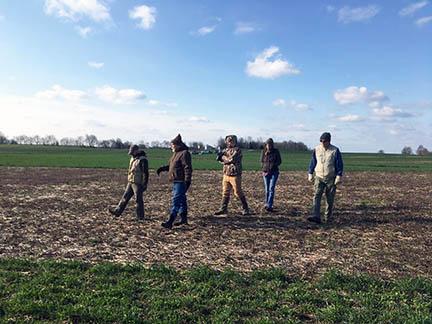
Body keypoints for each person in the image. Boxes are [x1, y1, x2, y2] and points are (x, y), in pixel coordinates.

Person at [157, 134, 192, 229]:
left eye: (172, 145)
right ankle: (183, 219)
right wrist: (163, 168)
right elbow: (172, 166)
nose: (171, 146)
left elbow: (187, 168)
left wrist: (187, 180)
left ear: (177, 145)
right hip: (176, 181)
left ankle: (170, 221)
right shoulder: (175, 154)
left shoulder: (184, 153)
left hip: (181, 181)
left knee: (176, 201)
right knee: (182, 200)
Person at [307, 132, 343, 224]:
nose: (322, 143)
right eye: (321, 141)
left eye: (324, 141)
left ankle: (328, 217)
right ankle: (316, 216)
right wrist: (310, 173)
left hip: (331, 177)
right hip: (319, 176)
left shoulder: (335, 150)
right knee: (316, 196)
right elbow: (313, 161)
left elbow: (339, 164)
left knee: (329, 198)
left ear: (329, 141)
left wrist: (339, 175)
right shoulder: (317, 149)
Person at [108, 144, 148, 220]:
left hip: (138, 183)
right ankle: (117, 211)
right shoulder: (133, 158)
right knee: (125, 197)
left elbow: (145, 173)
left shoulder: (143, 160)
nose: (131, 154)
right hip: (131, 181)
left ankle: (140, 217)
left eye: (132, 152)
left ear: (136, 151)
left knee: (138, 200)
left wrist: (144, 184)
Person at [214, 135, 250, 216]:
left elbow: (231, 159)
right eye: (228, 141)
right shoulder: (225, 150)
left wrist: (222, 157)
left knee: (237, 192)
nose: (229, 142)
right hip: (226, 174)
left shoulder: (238, 150)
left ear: (235, 142)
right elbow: (218, 159)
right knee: (225, 192)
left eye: (231, 141)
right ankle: (223, 209)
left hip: (235, 174)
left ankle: (245, 208)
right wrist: (222, 157)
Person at [260, 138, 282, 212]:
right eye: (267, 145)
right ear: (266, 145)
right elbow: (262, 161)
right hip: (266, 173)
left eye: (270, 144)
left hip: (274, 172)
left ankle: (270, 205)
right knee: (267, 189)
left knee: (271, 188)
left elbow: (279, 161)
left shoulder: (276, 151)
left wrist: (272, 166)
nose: (268, 146)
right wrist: (263, 170)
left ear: (272, 145)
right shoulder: (264, 152)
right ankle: (266, 203)